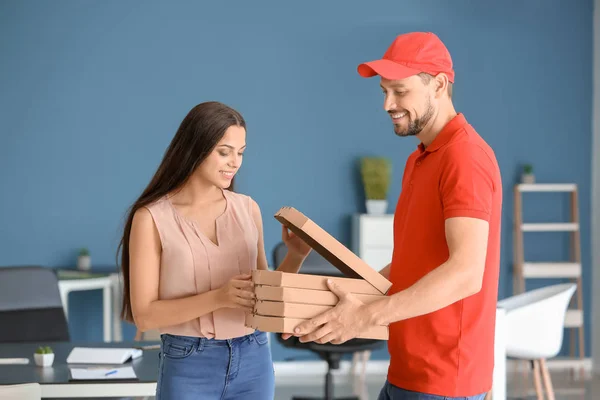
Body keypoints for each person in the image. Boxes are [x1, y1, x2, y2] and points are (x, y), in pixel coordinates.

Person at [284, 32, 503, 400]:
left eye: (400, 92)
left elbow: (466, 273)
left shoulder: (464, 157)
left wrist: (365, 317)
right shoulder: (419, 158)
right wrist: (326, 310)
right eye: (384, 91)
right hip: (407, 370)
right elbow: (409, 266)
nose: (388, 103)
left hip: (444, 380)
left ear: (438, 85)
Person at [117, 101, 311, 400]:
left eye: (241, 152)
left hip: (254, 356)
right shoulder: (151, 218)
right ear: (195, 148)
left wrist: (295, 256)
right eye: (224, 152)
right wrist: (219, 297)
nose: (235, 162)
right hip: (188, 362)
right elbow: (145, 316)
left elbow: (265, 300)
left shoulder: (248, 209)